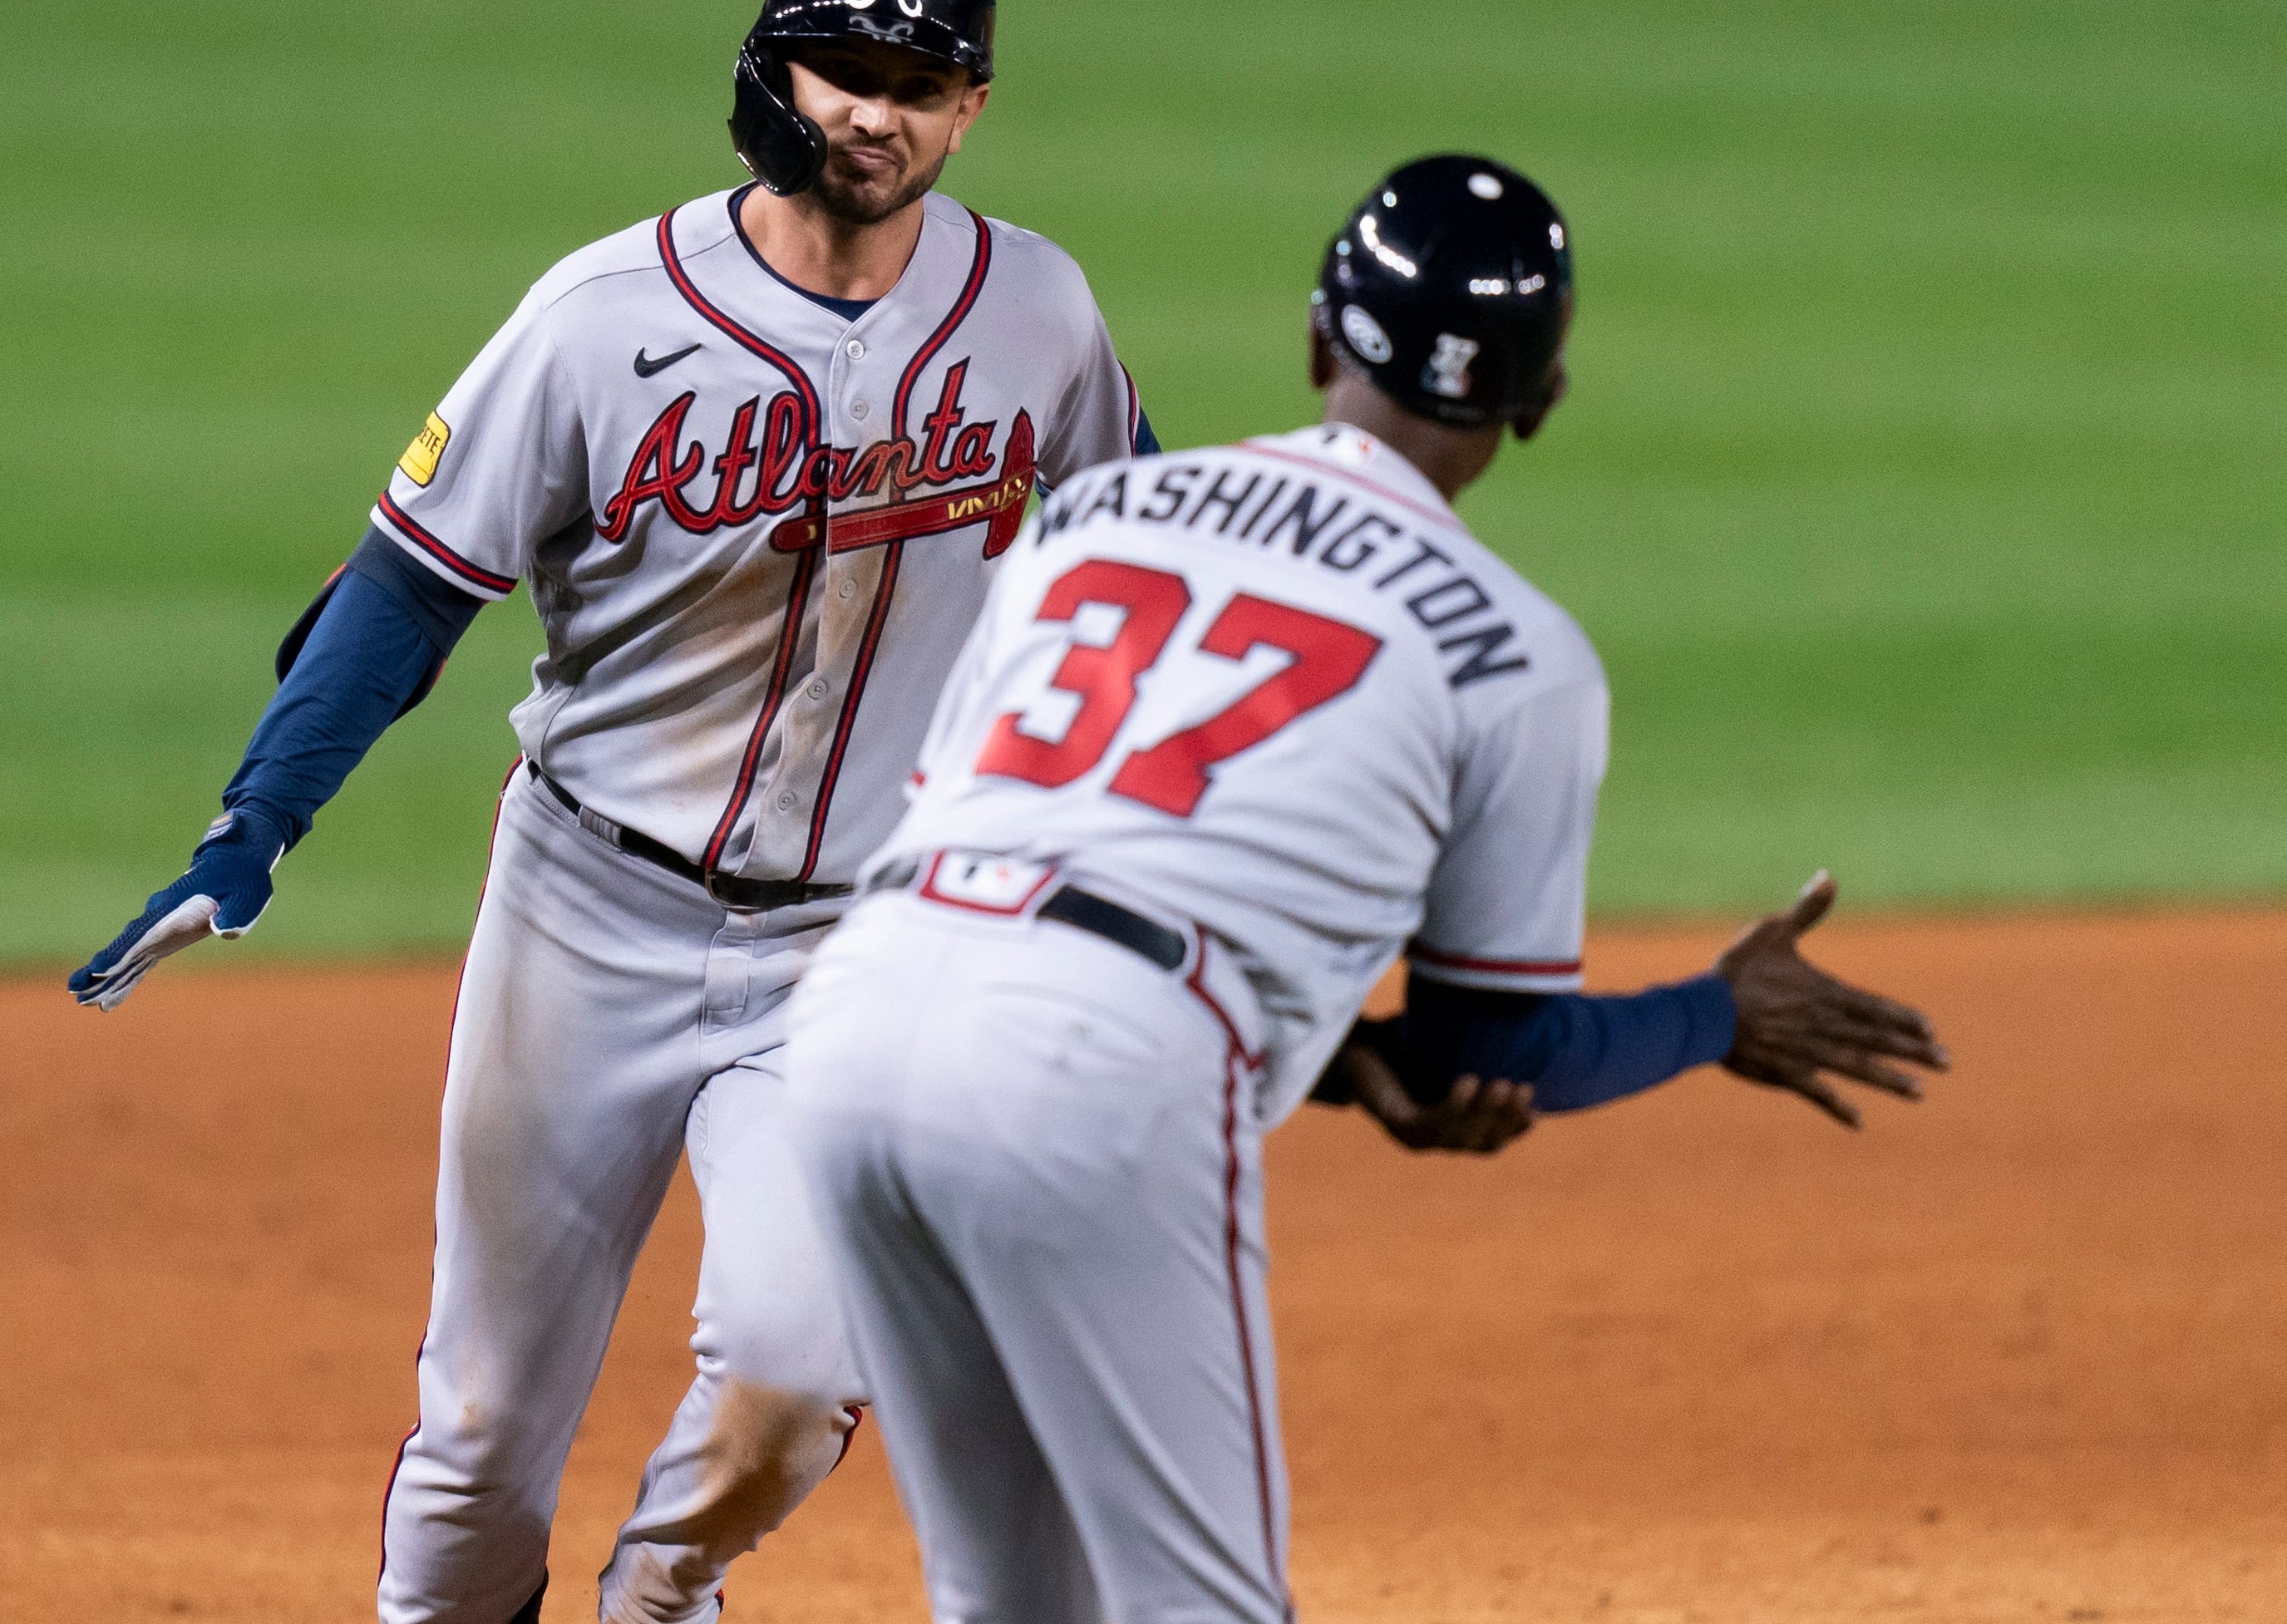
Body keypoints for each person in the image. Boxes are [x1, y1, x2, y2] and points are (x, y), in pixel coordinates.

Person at [67, 0, 1157, 1624]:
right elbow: (405, 594)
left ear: (973, 109)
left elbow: (1128, 569)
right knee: (485, 1429)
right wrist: (252, 826)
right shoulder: (600, 318)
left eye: (920, 85)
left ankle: (660, 1598)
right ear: (771, 72)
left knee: (798, 1372)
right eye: (844, 72)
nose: (877, 115)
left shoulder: (1039, 311)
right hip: (587, 917)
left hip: (854, 954)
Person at [781, 154, 1947, 1623]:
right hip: (1095, 1064)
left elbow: (1019, 860)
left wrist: (1341, 1065)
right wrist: (1719, 1015)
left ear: (1321, 341)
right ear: (1538, 406)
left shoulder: (1089, 517)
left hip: (855, 1009)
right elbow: (1497, 1053)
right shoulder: (1520, 654)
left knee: (1009, 1596)